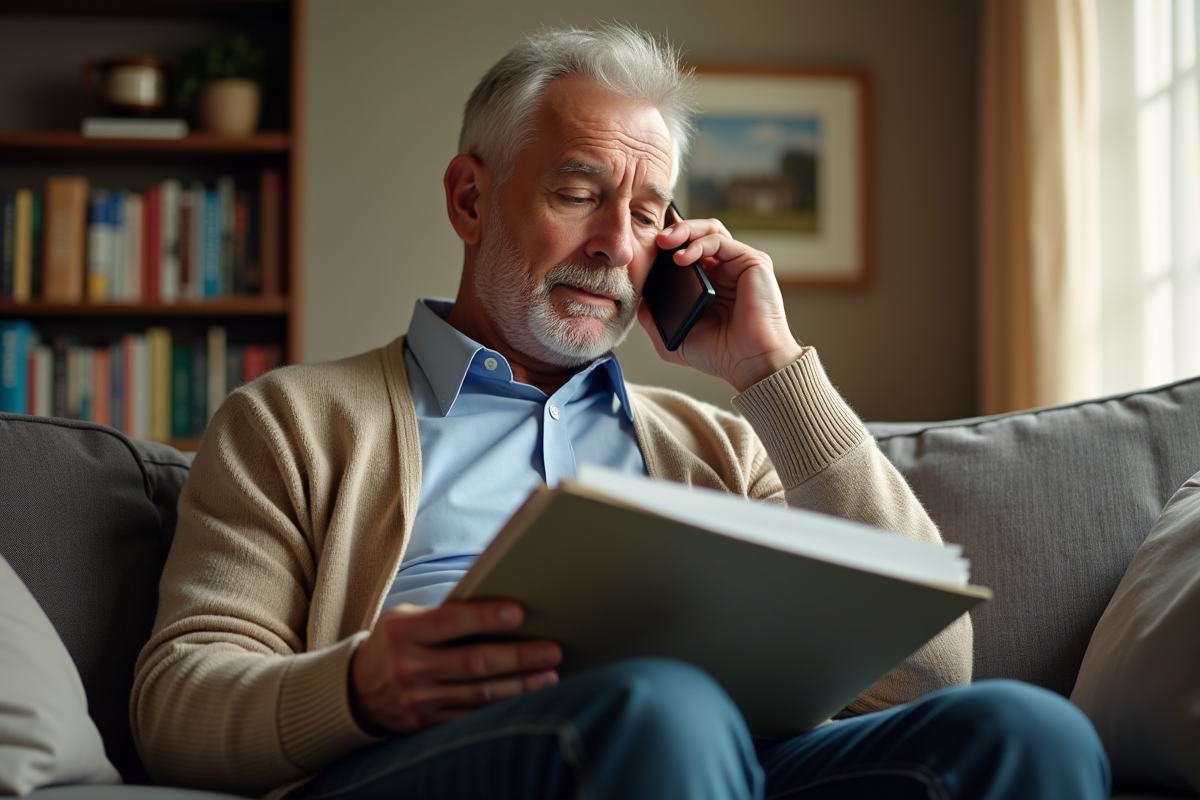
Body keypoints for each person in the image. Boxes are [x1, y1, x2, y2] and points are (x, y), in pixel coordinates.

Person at [131, 23, 1110, 800]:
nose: (614, 244)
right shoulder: (292, 420)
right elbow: (176, 702)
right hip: (436, 761)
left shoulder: (720, 443)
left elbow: (930, 672)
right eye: (578, 192)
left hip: (722, 758)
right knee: (664, 705)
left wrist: (772, 370)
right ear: (470, 200)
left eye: (647, 214)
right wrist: (357, 686)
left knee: (1025, 729)